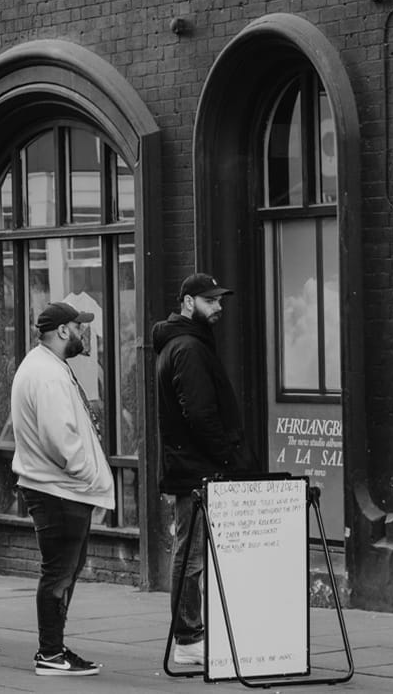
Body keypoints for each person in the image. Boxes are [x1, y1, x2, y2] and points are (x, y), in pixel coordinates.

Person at [152, 273, 255, 667]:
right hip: (196, 469)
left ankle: (191, 633)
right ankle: (189, 636)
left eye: (220, 301)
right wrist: (228, 457)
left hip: (193, 466)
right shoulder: (187, 348)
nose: (219, 308)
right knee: (192, 555)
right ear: (188, 302)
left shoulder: (185, 344)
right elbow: (199, 412)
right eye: (210, 301)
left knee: (194, 552)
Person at [11, 300, 114, 677]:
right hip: (60, 490)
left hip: (56, 487)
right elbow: (61, 437)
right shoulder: (49, 374)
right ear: (64, 331)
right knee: (59, 573)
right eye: (79, 326)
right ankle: (51, 653)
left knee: (61, 571)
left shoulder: (44, 367)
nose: (84, 332)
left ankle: (53, 649)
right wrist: (86, 475)